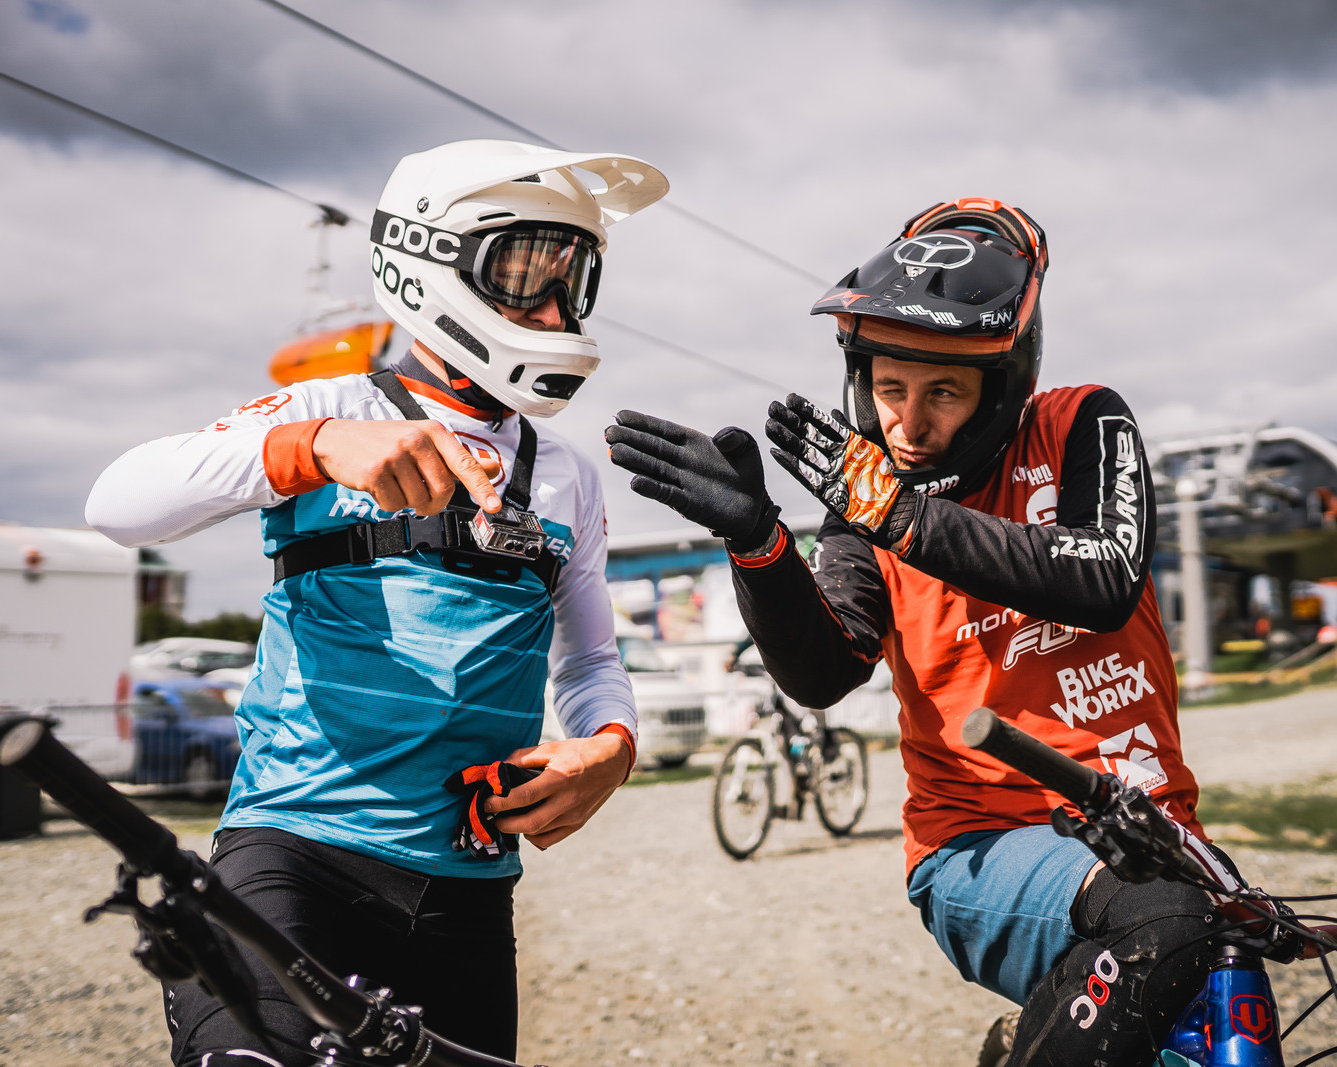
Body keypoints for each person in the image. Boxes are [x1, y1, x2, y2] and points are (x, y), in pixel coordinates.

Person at [606, 197, 1229, 1066]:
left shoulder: (1081, 423)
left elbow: (1105, 578)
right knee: (1169, 923)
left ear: (1001, 386)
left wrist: (904, 517)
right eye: (889, 388)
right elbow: (825, 671)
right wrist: (757, 544)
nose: (907, 422)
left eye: (943, 392)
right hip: (979, 842)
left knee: (1227, 1005)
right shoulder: (863, 511)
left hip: (1152, 831)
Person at [87, 139, 668, 1066]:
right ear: (429, 263)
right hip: (295, 857)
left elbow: (591, 659)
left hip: (467, 894)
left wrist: (610, 750)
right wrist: (316, 446)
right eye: (526, 272)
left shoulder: (568, 475)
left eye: (573, 278)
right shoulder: (326, 408)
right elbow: (117, 504)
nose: (557, 310)